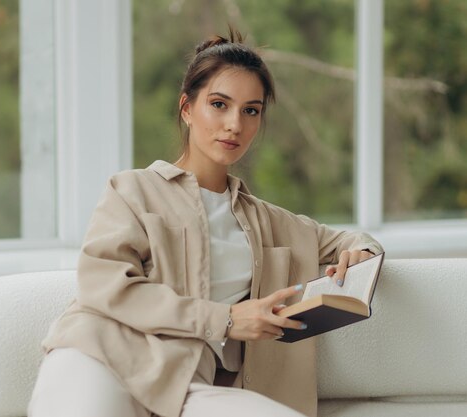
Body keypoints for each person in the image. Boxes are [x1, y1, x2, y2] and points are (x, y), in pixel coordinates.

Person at [28, 29, 383, 417]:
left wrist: (362, 253)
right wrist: (227, 319)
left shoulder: (270, 221)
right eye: (219, 104)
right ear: (186, 109)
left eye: (251, 110)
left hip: (186, 387)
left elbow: (353, 241)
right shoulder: (133, 190)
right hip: (100, 357)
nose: (235, 124)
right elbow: (104, 286)